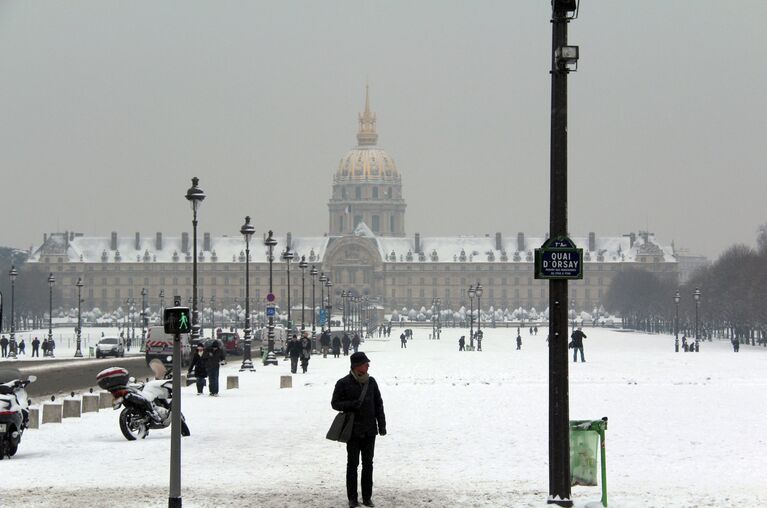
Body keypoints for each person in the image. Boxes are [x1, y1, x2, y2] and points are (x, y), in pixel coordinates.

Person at [331, 352, 386, 508]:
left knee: (368, 464)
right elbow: (335, 403)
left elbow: (379, 405)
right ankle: (352, 498)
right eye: (365, 363)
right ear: (356, 366)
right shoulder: (343, 383)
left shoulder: (372, 382)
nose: (368, 366)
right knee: (352, 465)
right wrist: (351, 404)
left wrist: (381, 425)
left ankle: (367, 497)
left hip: (369, 430)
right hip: (353, 431)